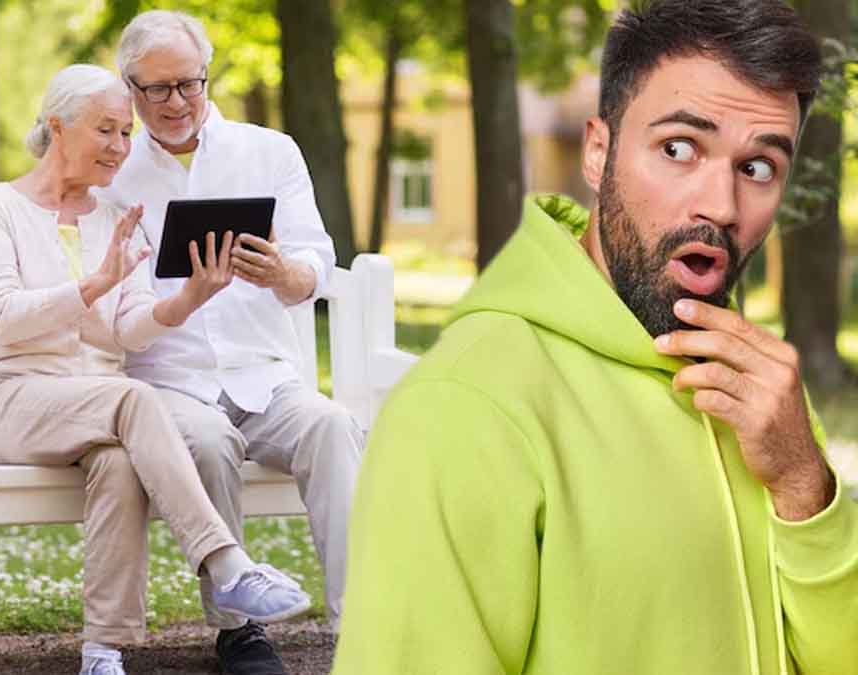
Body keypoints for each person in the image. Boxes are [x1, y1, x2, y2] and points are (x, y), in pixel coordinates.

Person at [336, 1, 858, 673]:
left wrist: (803, 484)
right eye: (678, 148)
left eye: (758, 167)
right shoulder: (463, 405)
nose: (721, 206)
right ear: (597, 150)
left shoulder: (763, 391)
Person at [0, 11, 364, 673]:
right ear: (128, 87)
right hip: (157, 386)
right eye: (152, 91)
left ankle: (363, 623)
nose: (172, 103)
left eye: (188, 85)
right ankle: (238, 621)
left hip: (256, 377)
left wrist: (277, 273)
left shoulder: (265, 152)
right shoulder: (110, 168)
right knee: (205, 439)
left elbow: (310, 264)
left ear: (207, 77)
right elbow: (17, 268)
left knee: (335, 427)